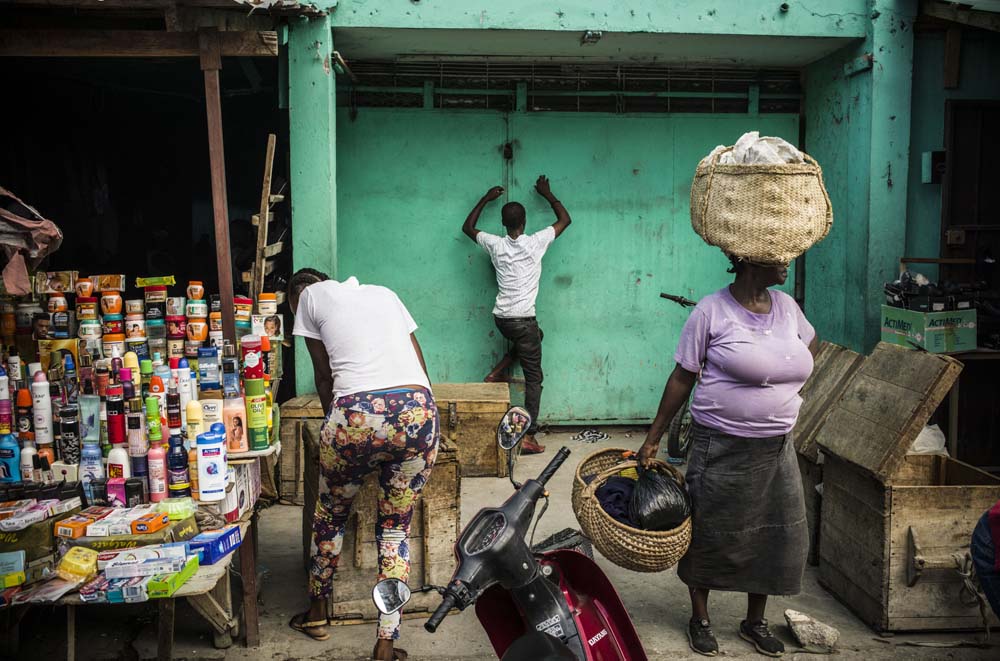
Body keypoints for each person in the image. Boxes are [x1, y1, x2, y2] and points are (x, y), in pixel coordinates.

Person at [637, 256, 818, 658]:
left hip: (776, 447)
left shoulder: (788, 308)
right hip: (720, 445)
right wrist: (653, 439)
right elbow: (683, 375)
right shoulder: (711, 311)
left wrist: (785, 394)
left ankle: (755, 621)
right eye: (777, 257)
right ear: (750, 261)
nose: (786, 262)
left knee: (775, 535)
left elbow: (810, 344)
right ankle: (699, 617)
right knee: (709, 532)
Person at [288, 267, 437, 661]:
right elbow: (419, 366)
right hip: (418, 411)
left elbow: (324, 376)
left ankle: (318, 613)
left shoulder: (307, 298)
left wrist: (338, 433)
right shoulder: (383, 292)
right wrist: (416, 422)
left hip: (355, 412)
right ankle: (385, 643)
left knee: (331, 514)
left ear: (295, 298)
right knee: (395, 532)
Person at [462, 175, 572, 454]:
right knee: (534, 379)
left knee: (536, 336)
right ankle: (529, 436)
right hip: (523, 321)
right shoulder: (536, 242)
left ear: (503, 223)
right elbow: (565, 219)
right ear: (523, 223)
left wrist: (485, 199)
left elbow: (468, 227)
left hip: (502, 319)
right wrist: (547, 193)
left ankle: (497, 372)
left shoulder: (495, 244)